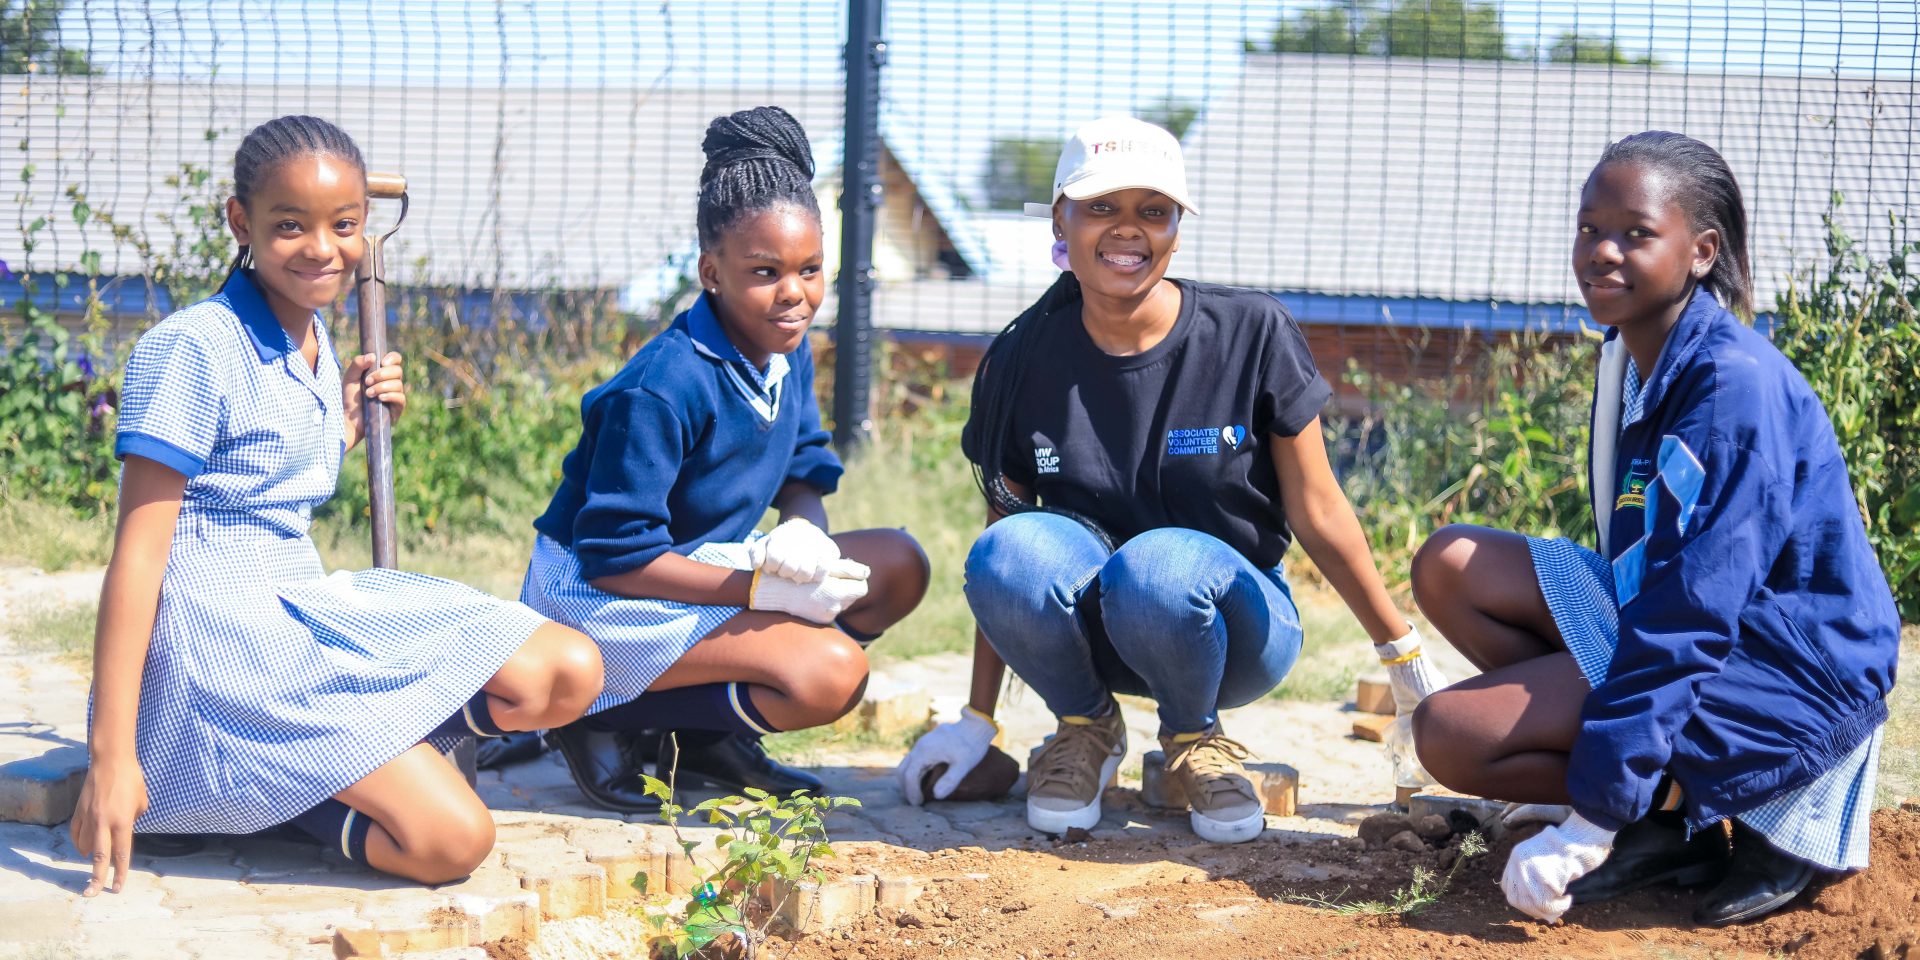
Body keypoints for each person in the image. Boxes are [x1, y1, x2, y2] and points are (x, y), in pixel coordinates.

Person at [68, 115, 606, 894]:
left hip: (302, 603)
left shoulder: (314, 342)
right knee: (452, 841)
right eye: (290, 226)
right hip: (220, 640)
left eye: (343, 224)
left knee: (564, 671)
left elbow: (260, 474)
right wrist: (110, 756)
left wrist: (345, 425)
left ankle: (316, 764)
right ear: (240, 222)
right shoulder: (189, 347)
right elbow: (140, 555)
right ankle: (215, 786)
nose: (322, 248)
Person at [894, 117, 1450, 844]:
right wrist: (977, 718)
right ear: (1060, 217)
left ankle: (1195, 740)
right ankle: (1085, 729)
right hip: (1097, 635)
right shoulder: (1019, 359)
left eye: (1152, 212)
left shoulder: (1251, 333)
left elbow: (1318, 508)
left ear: (1177, 229)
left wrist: (1402, 658)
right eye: (1101, 208)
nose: (1128, 231)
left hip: (1232, 632)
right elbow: (1008, 549)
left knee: (1156, 567)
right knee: (1006, 552)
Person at [1409, 131, 1901, 927]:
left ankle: (1694, 806)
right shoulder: (1634, 358)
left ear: (1701, 251)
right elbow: (1653, 568)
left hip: (1791, 672)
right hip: (1691, 622)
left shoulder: (1731, 392)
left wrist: (1590, 817)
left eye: (1636, 233)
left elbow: (1692, 615)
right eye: (1588, 227)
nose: (1602, 251)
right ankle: (1664, 816)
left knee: (1450, 733)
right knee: (1451, 562)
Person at [522, 106, 929, 812]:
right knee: (830, 674)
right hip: (598, 598)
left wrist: (804, 528)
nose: (794, 294)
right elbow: (615, 556)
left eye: (809, 269)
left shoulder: (783, 347)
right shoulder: (660, 386)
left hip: (698, 564)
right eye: (765, 271)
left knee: (898, 566)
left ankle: (705, 735)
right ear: (711, 271)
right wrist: (762, 593)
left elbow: (804, 464)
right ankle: (593, 717)